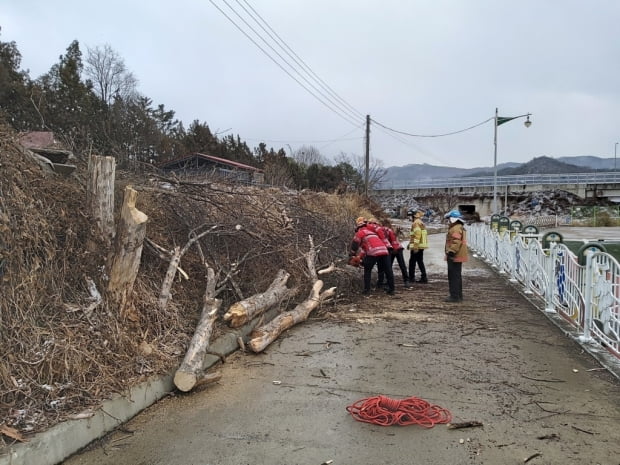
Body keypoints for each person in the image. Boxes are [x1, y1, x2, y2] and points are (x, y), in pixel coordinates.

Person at [350, 216, 395, 295]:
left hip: (373, 252)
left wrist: (352, 254)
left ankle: (367, 290)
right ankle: (392, 289)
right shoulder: (372, 233)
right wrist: (360, 257)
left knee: (367, 269)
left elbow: (355, 243)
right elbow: (365, 249)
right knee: (388, 270)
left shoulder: (360, 232)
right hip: (384, 251)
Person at [377, 219, 410, 288]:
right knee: (401, 265)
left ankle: (388, 281)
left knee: (389, 266)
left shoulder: (384, 230)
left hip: (393, 249)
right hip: (396, 248)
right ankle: (406, 280)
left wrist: (393, 249)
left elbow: (391, 240)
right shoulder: (390, 230)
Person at [444, 209, 468, 302]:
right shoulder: (459, 226)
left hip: (454, 255)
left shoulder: (455, 228)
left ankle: (454, 296)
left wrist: (451, 252)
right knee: (457, 276)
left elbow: (456, 241)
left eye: (449, 219)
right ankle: (458, 295)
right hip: (458, 255)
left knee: (453, 276)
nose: (448, 221)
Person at [408, 210, 428, 283]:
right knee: (420, 261)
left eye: (410, 216)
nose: (409, 218)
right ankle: (424, 277)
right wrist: (410, 244)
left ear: (414, 216)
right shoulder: (420, 222)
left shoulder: (416, 223)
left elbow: (417, 234)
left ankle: (411, 278)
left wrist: (415, 246)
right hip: (421, 246)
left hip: (417, 246)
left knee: (412, 262)